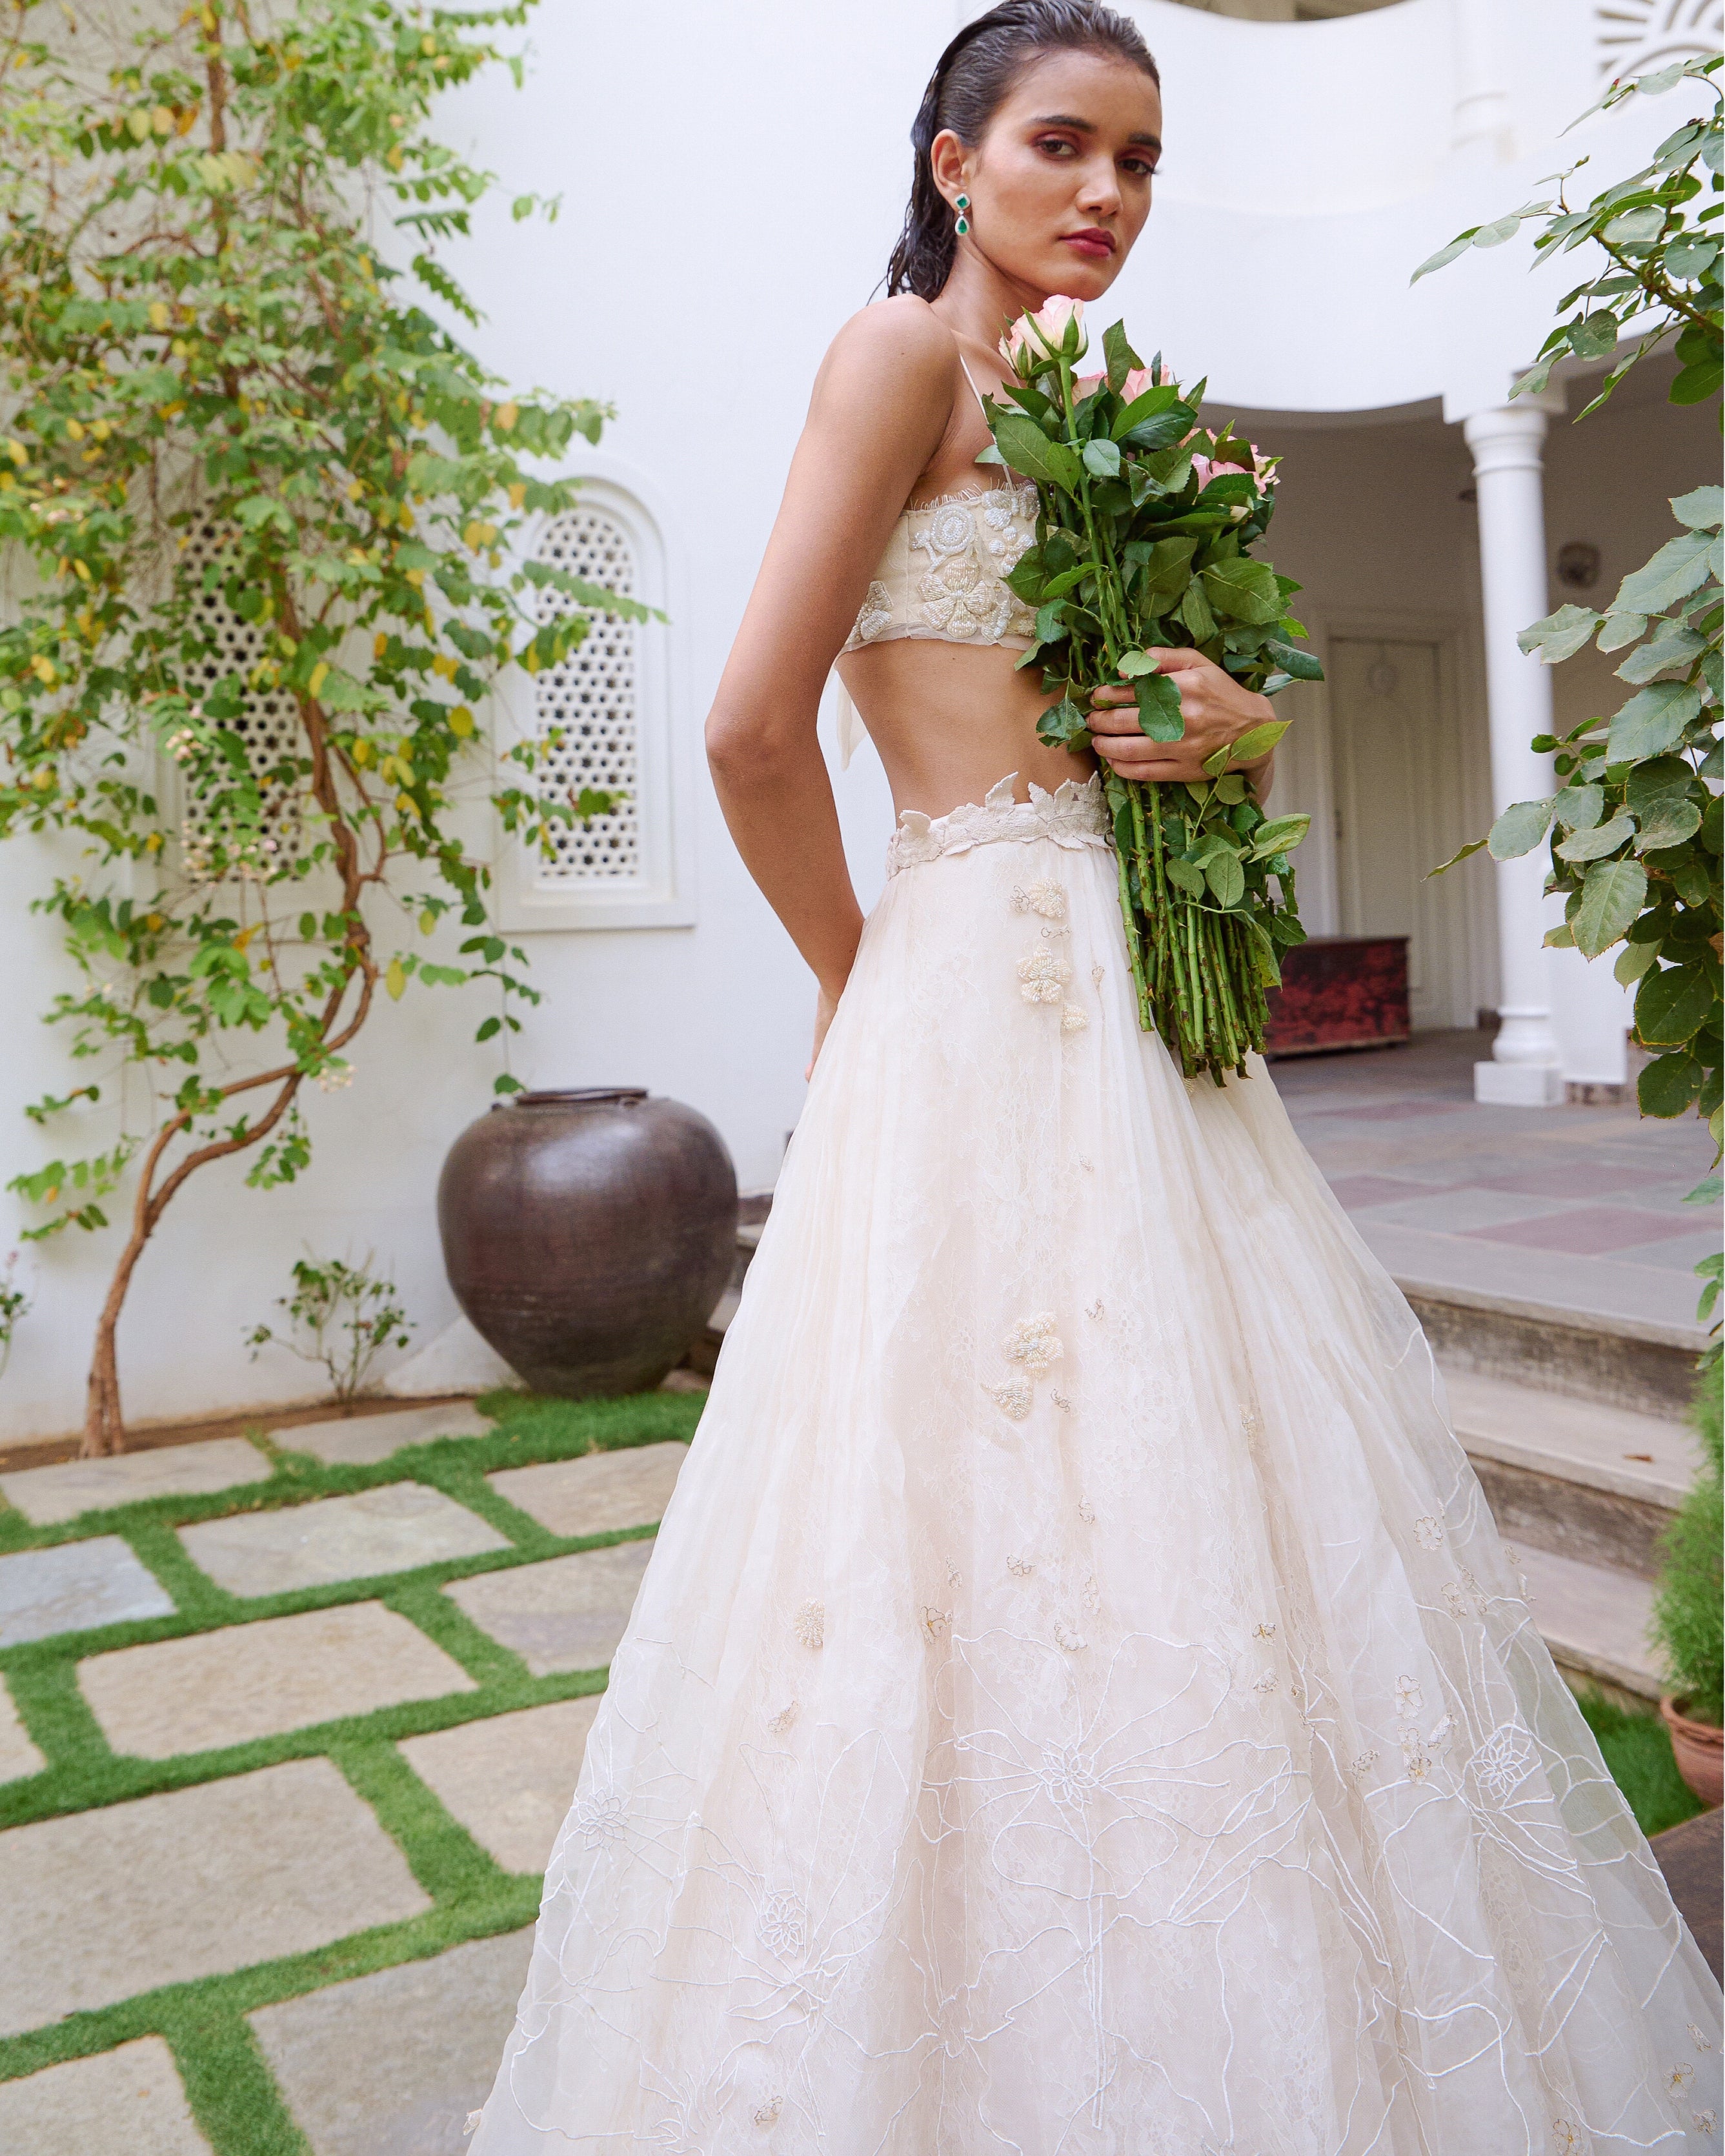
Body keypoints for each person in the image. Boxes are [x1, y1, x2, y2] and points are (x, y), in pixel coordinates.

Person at [472, 5, 1722, 2146]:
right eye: (1062, 145)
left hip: (1142, 1002)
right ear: (950, 160)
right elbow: (751, 733)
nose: (1105, 195)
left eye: (1138, 159)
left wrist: (1234, 725)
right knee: (940, 1511)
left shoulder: (1091, 402)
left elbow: (1122, 720)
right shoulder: (894, 358)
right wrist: (869, 982)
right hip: (971, 980)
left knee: (1205, 1484)